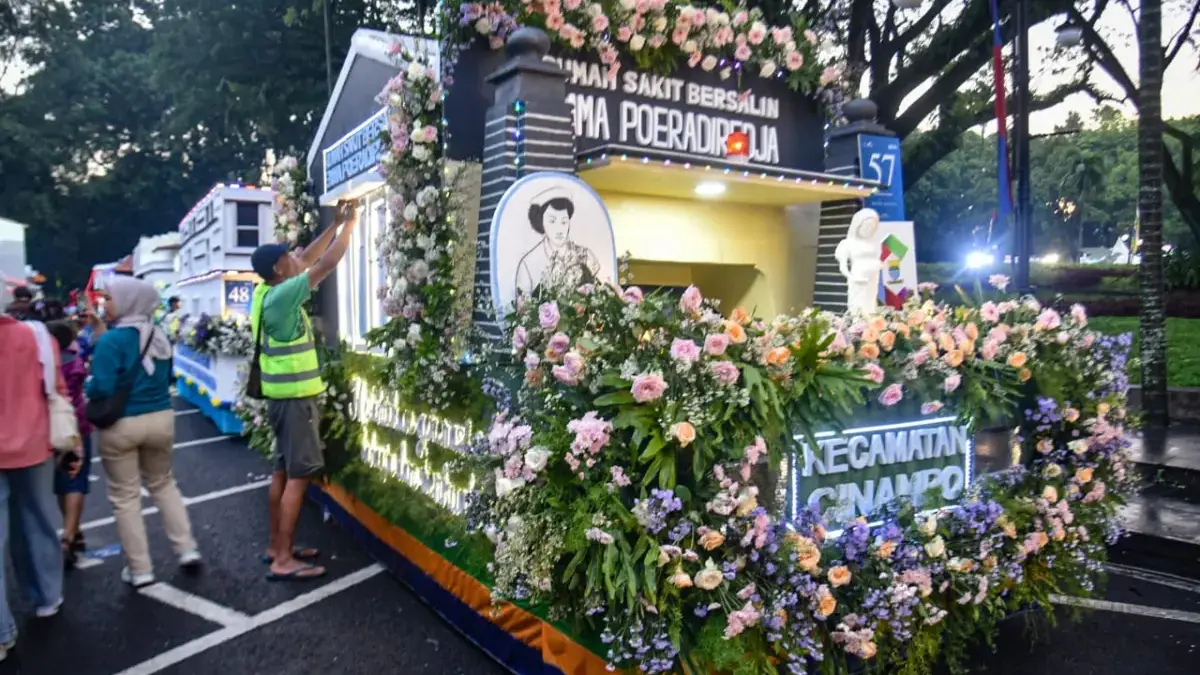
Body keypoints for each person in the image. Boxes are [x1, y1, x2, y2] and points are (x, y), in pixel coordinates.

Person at [249, 200, 356, 581]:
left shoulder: (266, 292)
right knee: (299, 476)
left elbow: (308, 256)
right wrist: (351, 227)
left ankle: (277, 547)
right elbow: (324, 264)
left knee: (282, 471)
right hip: (295, 401)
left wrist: (334, 224)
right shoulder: (284, 297)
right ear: (280, 269)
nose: (294, 257)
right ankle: (283, 561)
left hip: (281, 400)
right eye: (287, 257)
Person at [87, 277, 199, 588]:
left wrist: (89, 386)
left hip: (122, 424)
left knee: (125, 497)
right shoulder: (158, 335)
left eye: (109, 298)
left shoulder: (111, 341)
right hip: (161, 417)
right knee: (163, 484)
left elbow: (101, 387)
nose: (104, 303)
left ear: (128, 301)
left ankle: (140, 569)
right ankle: (186, 548)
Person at [0, 313, 69, 661]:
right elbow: (57, 389)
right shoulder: (38, 335)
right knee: (38, 520)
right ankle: (46, 595)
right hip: (34, 444)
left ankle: (2, 632)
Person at [47, 320, 94, 567]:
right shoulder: (76, 360)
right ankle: (70, 534)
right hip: (77, 424)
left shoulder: (44, 364)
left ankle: (73, 530)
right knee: (76, 479)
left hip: (51, 427)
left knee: (61, 482)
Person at [515, 186, 601, 296]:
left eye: (564, 222)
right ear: (541, 222)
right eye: (552, 221)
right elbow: (523, 302)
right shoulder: (528, 264)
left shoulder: (587, 256)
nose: (559, 229)